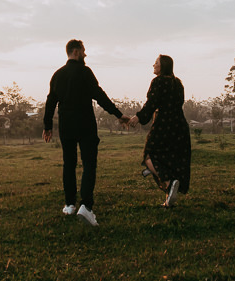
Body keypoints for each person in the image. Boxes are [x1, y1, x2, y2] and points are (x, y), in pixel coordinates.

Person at [43, 39, 128, 227]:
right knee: (89, 164)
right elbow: (100, 96)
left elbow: (50, 103)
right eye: (84, 50)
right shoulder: (85, 72)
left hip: (66, 126)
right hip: (86, 125)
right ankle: (86, 207)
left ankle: (70, 204)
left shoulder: (58, 75)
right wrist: (118, 115)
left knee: (69, 164)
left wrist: (47, 126)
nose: (85, 54)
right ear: (76, 51)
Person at [129, 54, 191, 208]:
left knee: (149, 155)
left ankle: (170, 183)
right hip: (180, 127)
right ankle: (169, 199)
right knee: (172, 159)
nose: (153, 65)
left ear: (162, 66)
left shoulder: (158, 82)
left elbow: (152, 104)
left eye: (156, 63)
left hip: (164, 124)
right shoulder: (178, 83)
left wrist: (138, 118)